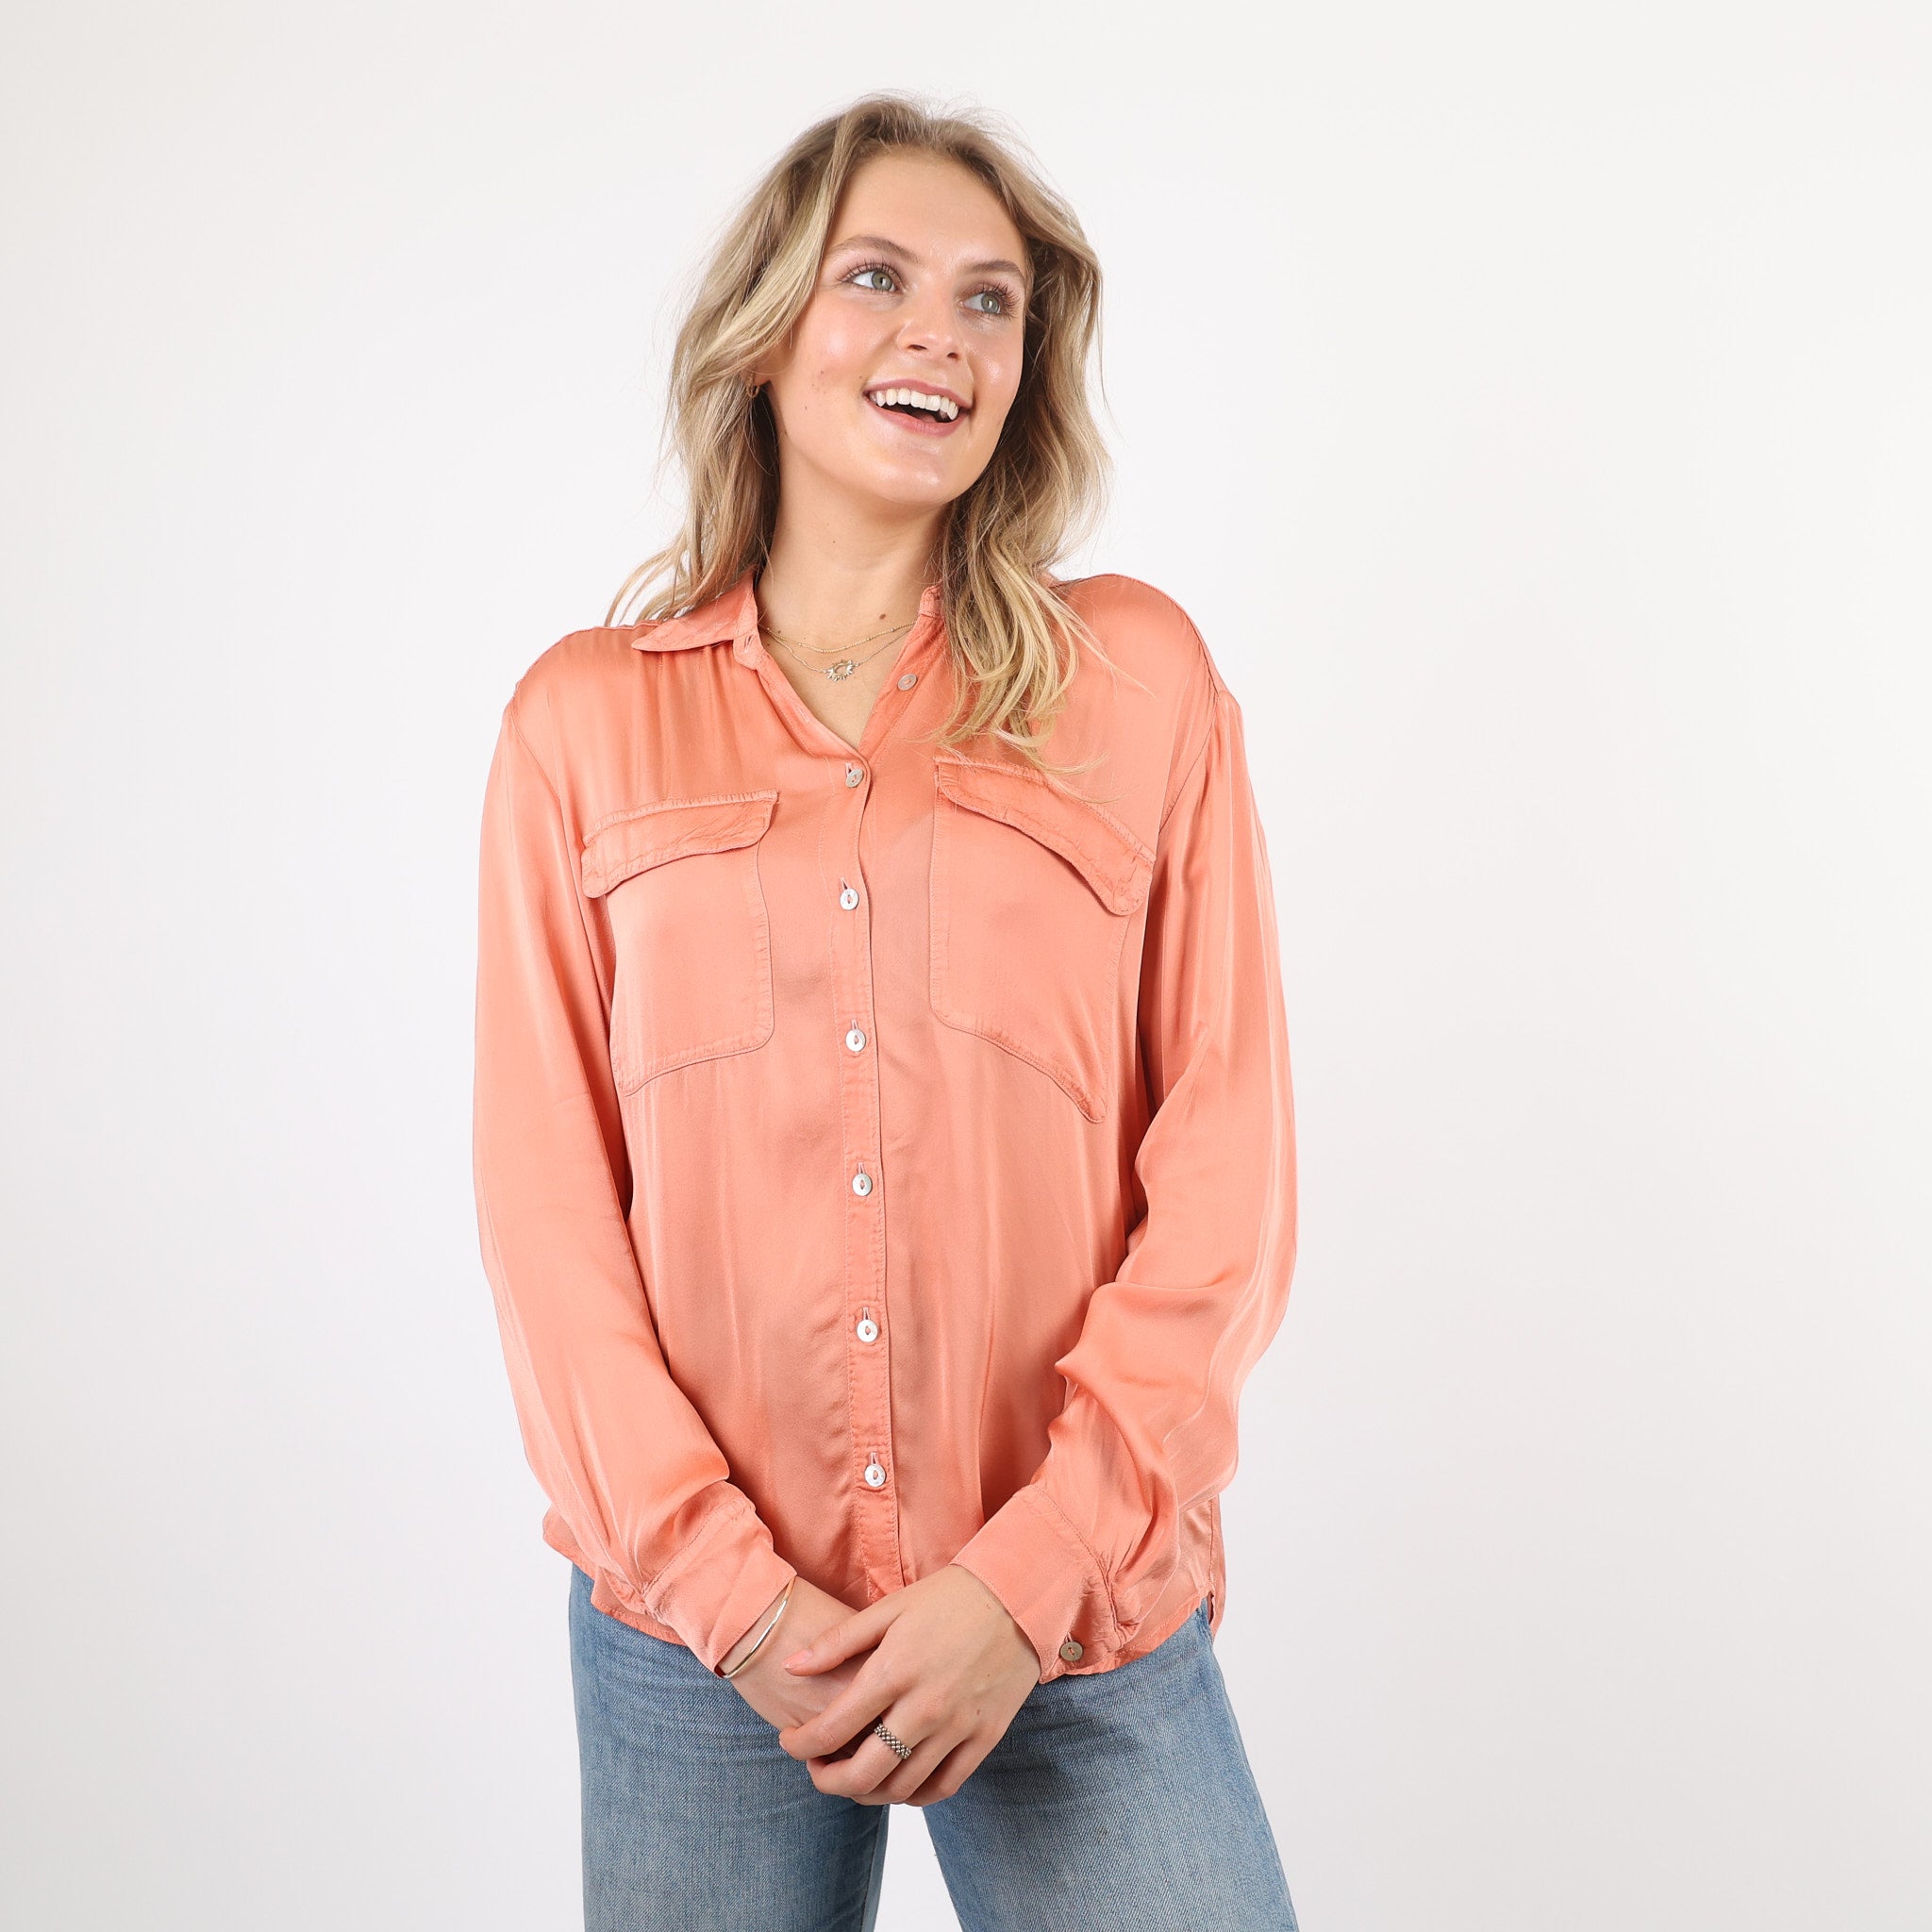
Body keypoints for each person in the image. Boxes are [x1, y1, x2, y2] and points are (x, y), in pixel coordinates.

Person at [472, 91, 1301, 1932]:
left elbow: (1226, 1179)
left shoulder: (1138, 682)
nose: (943, 332)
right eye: (878, 277)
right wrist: (734, 1598)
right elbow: (547, 1218)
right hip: (701, 1640)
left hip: (1070, 1615)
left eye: (990, 299)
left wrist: (1025, 1579)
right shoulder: (581, 725)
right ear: (766, 331)